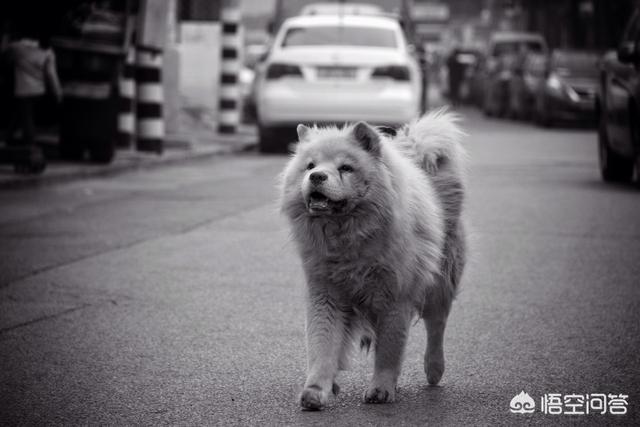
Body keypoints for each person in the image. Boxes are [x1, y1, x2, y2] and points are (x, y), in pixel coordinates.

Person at [6, 33, 62, 149]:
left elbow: (7, 56)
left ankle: (29, 144)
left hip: (23, 90)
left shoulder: (17, 47)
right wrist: (57, 92)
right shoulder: (48, 52)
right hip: (38, 91)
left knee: (26, 117)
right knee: (20, 114)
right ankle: (8, 138)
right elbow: (51, 75)